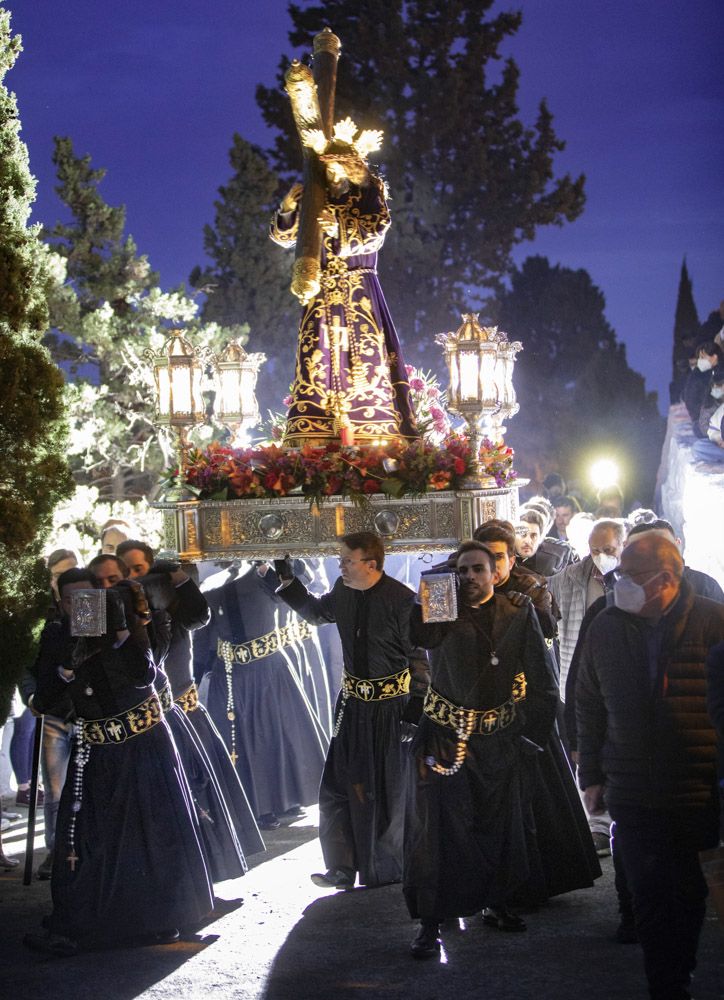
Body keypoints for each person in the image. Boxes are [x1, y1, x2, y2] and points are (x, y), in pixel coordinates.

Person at [24, 568, 214, 954]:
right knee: (87, 841)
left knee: (153, 834)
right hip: (94, 752)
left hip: (143, 745)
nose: (80, 609)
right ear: (59, 603)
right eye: (70, 602)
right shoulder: (57, 636)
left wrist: (125, 632)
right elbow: (44, 701)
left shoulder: (125, 619)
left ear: (102, 597)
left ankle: (161, 921)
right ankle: (84, 924)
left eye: (87, 600)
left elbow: (145, 674)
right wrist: (66, 669)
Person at [576, 534, 724, 1000]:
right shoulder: (606, 624)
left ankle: (680, 967)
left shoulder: (713, 620)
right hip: (632, 783)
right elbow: (587, 701)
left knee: (687, 889)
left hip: (697, 783)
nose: (619, 582)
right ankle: (667, 984)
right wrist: (592, 775)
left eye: (630, 575)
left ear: (666, 579)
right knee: (647, 890)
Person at [404, 541, 558, 958]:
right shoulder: (442, 605)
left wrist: (534, 734)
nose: (469, 576)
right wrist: (438, 589)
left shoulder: (517, 610)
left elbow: (542, 679)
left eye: (477, 569)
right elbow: (420, 635)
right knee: (438, 832)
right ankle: (431, 922)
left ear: (495, 573)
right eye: (462, 570)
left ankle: (497, 901)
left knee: (499, 826)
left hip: (498, 738)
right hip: (442, 736)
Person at [275, 531, 429, 890]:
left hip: (392, 710)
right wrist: (287, 579)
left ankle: (385, 868)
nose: (340, 565)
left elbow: (419, 659)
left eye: (347, 560)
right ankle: (342, 867)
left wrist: (415, 709)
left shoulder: (401, 600)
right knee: (337, 786)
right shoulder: (343, 592)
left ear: (370, 564)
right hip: (352, 706)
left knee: (386, 789)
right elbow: (315, 613)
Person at [117, 540, 264, 865]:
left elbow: (199, 616)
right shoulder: (114, 603)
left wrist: (180, 580)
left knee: (200, 789)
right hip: (141, 720)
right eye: (122, 571)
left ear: (152, 566)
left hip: (183, 706)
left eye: (137, 569)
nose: (130, 577)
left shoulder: (166, 593)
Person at [270, 130, 417, 446]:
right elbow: (285, 238)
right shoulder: (314, 201)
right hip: (322, 293)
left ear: (352, 167)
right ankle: (317, 427)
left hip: (358, 289)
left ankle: (374, 430)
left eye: (338, 165)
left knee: (367, 355)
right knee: (317, 357)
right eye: (327, 167)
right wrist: (286, 209)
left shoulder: (366, 197)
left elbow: (376, 231)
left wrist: (339, 228)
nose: (333, 172)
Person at [194, 561, 329, 831]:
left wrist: (278, 564)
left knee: (277, 733)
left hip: (268, 668)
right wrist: (198, 674)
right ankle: (256, 808)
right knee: (240, 740)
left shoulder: (262, 570)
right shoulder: (206, 576)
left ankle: (287, 798)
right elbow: (202, 631)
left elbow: (300, 579)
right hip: (229, 672)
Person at [17, 549, 78, 879]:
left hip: (85, 713)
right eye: (57, 575)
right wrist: (31, 696)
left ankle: (78, 848)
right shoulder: (42, 617)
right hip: (52, 713)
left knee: (82, 788)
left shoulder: (91, 613)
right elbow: (26, 665)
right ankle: (55, 850)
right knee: (54, 791)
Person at [682, 340, 722, 431]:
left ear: (714, 357)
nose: (700, 361)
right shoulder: (699, 374)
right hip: (703, 419)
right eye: (699, 358)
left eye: (702, 357)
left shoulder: (719, 373)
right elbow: (691, 398)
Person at [692, 364, 724, 464]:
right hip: (717, 439)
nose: (715, 389)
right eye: (713, 386)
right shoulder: (710, 403)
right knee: (699, 446)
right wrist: (718, 439)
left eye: (718, 386)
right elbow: (707, 427)